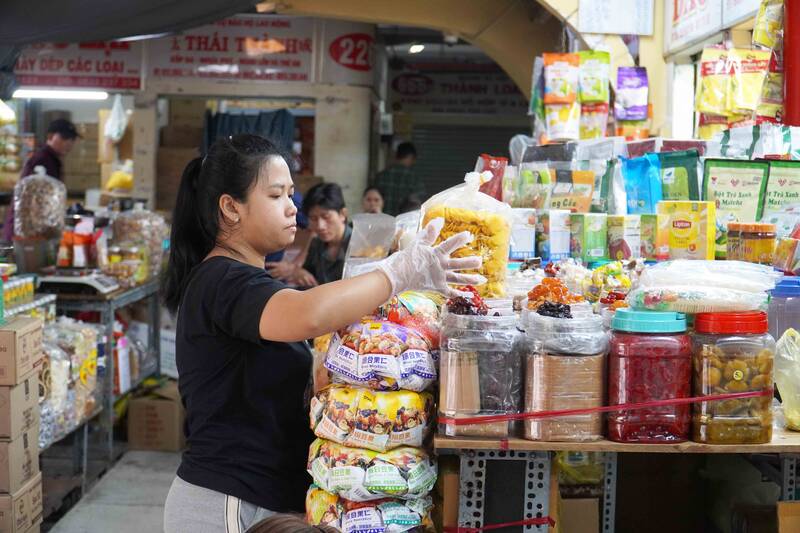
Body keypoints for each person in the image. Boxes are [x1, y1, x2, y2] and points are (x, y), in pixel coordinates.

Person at [162, 134, 481, 532]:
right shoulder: (221, 279)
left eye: (291, 194)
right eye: (277, 195)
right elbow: (311, 314)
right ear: (231, 208)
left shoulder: (246, 280)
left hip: (262, 498)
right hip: (227, 503)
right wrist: (397, 273)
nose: (292, 207)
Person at [2, 119, 81, 241]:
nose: (69, 142)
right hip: (23, 235)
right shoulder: (42, 160)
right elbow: (32, 200)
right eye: (65, 137)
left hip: (32, 234)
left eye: (72, 139)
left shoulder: (52, 160)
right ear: (50, 136)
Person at [294, 183, 350, 287]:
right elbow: (308, 274)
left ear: (343, 214)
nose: (320, 226)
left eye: (326, 217)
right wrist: (301, 273)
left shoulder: (358, 245)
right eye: (313, 219)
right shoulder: (316, 243)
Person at [374, 142, 425, 216]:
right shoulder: (415, 178)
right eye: (413, 159)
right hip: (404, 223)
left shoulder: (381, 176)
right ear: (410, 157)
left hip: (383, 221)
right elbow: (419, 202)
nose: (414, 162)